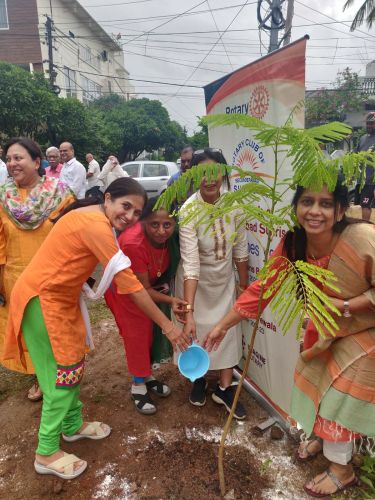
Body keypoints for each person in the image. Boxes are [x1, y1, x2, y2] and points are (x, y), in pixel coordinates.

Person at [2, 177, 190, 480]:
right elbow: (129, 284)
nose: (129, 216)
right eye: (125, 206)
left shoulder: (94, 218)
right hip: (43, 302)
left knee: (73, 368)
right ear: (108, 198)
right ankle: (46, 451)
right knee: (61, 377)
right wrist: (169, 327)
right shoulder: (95, 224)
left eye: (135, 212)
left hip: (61, 301)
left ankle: (72, 426)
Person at [204, 180, 375, 497]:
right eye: (307, 201)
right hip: (327, 329)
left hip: (366, 331)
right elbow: (262, 288)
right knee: (314, 383)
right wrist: (222, 326)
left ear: (340, 211)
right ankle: (325, 438)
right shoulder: (294, 243)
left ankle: (342, 469)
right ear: (296, 207)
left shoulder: (364, 239)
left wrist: (347, 305)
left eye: (325, 204)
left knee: (338, 392)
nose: (315, 211)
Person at [175, 148, 249, 419]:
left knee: (227, 334)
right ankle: (198, 379)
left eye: (215, 172)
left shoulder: (235, 204)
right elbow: (191, 263)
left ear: (223, 174)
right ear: (194, 176)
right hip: (196, 284)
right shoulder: (189, 210)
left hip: (224, 279)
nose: (209, 179)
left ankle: (225, 388)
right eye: (202, 173)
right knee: (196, 332)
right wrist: (189, 311)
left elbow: (240, 250)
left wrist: (243, 286)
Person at [0, 137, 74, 401]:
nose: (12, 164)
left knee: (57, 329)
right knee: (29, 333)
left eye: (18, 158)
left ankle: (62, 378)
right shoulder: (3, 197)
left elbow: (74, 235)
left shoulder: (60, 194)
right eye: (8, 159)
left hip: (53, 279)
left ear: (36, 161)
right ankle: (41, 377)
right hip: (17, 279)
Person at [105, 196, 187, 415]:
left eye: (167, 224)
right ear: (143, 222)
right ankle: (138, 387)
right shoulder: (133, 243)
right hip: (127, 294)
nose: (161, 231)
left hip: (148, 291)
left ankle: (146, 376)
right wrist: (171, 300)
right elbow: (140, 289)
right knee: (137, 337)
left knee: (149, 335)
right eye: (154, 224)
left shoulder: (172, 239)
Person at [356, 112, 375, 220]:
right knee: (359, 205)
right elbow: (355, 156)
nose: (369, 125)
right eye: (368, 123)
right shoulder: (363, 138)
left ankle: (365, 229)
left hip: (371, 181)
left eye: (372, 123)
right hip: (360, 180)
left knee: (366, 205)